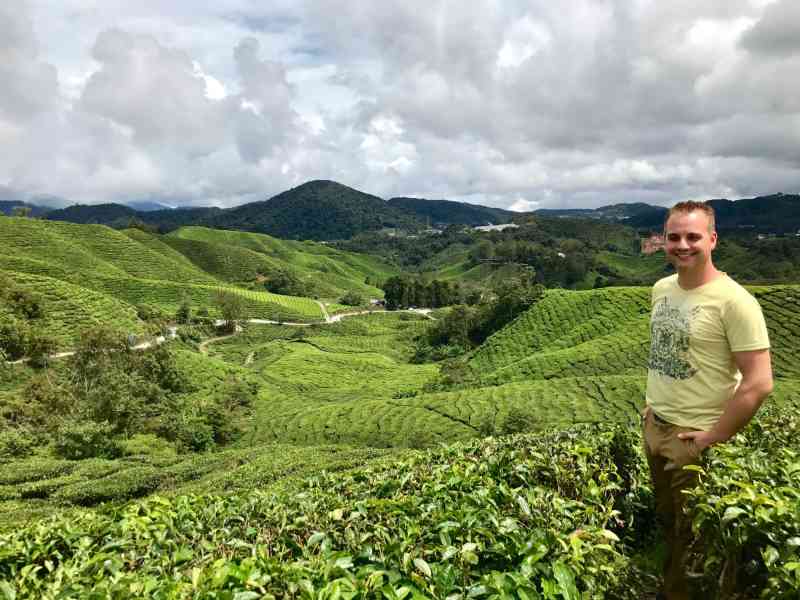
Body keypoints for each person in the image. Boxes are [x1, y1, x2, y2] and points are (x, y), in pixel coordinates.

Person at [643, 200, 773, 600]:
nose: (682, 245)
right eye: (674, 237)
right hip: (655, 427)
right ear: (664, 240)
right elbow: (667, 352)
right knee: (668, 521)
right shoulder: (661, 289)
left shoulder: (734, 301)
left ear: (712, 240)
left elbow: (759, 382)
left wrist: (713, 436)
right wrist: (652, 407)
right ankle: (669, 586)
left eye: (693, 237)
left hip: (693, 437)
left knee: (695, 538)